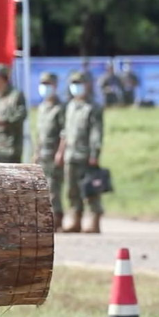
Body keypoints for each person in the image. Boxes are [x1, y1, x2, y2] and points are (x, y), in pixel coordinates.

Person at [57, 71, 104, 233]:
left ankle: (93, 219)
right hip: (71, 155)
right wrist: (60, 152)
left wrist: (94, 154)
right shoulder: (70, 106)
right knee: (72, 189)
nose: (76, 87)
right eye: (74, 83)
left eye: (80, 83)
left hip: (85, 155)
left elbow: (96, 133)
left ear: (87, 85)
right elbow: (65, 132)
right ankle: (75, 218)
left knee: (90, 188)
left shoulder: (93, 107)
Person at [35, 72, 66, 230]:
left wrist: (60, 152)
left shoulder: (60, 108)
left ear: (55, 86)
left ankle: (57, 218)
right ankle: (46, 218)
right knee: (43, 188)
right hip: (43, 154)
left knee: (54, 188)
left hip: (54, 154)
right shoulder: (42, 107)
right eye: (43, 84)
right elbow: (40, 134)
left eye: (49, 85)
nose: (45, 88)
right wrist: (36, 152)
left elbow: (64, 134)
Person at [0, 63, 27, 163]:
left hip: (9, 150)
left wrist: (5, 122)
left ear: (1, 78)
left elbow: (21, 115)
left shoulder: (15, 96)